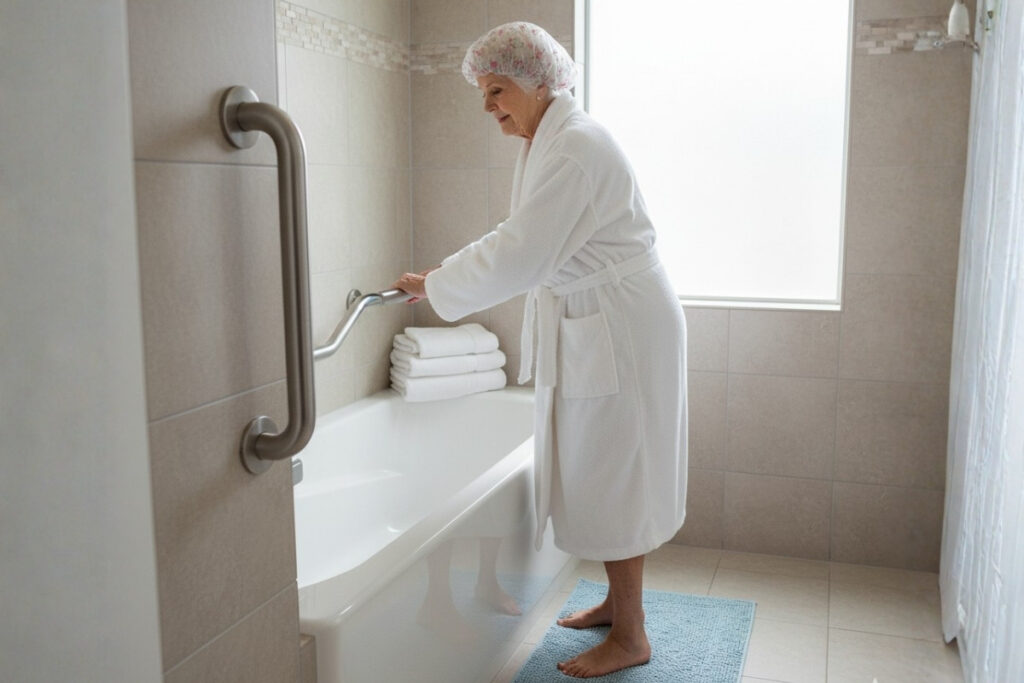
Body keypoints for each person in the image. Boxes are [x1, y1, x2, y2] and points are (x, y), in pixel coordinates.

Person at [392, 21, 687, 679]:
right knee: (608, 465)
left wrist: (440, 283)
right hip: (603, 319)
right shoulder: (551, 142)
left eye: (497, 90)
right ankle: (618, 602)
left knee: (617, 472)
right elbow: (517, 235)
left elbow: (520, 254)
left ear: (536, 82)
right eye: (485, 92)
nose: (489, 106)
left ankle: (632, 634)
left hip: (618, 326)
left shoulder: (575, 148)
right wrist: (439, 276)